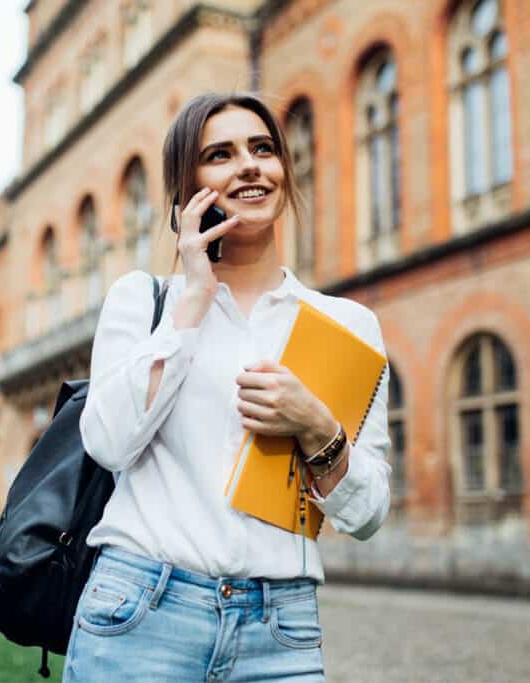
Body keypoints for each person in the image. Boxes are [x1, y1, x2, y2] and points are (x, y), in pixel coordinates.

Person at [63, 92, 392, 682]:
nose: (248, 164)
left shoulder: (348, 326)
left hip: (282, 631)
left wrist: (317, 426)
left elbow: (368, 515)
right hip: (142, 611)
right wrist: (192, 298)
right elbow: (108, 444)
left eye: (263, 149)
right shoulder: (144, 301)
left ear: (284, 172)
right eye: (220, 154)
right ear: (188, 189)